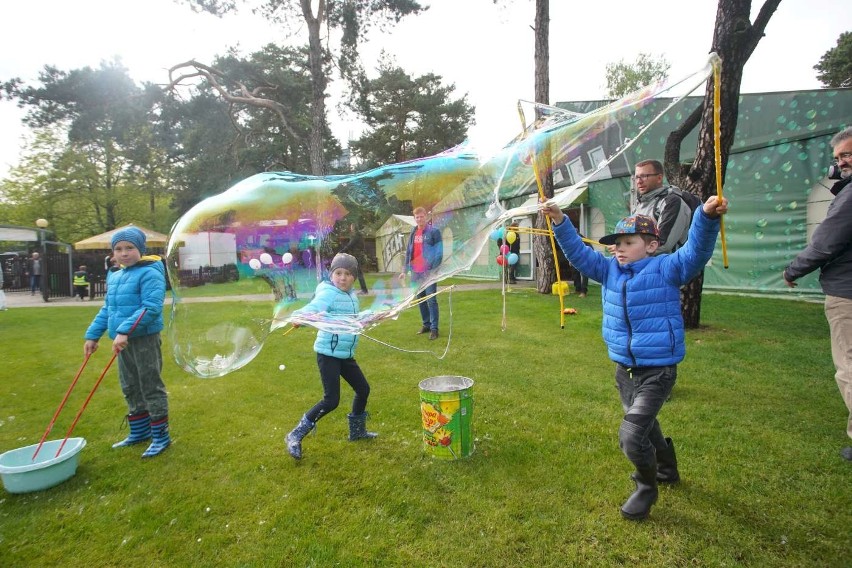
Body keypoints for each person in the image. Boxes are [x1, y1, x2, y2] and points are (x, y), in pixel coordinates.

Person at [541, 195, 728, 521]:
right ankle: (667, 469)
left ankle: (646, 486)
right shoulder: (608, 270)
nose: (619, 249)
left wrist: (706, 217)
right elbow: (578, 252)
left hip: (658, 372)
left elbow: (695, 251)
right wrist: (559, 219)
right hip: (624, 371)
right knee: (643, 424)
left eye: (628, 242)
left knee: (631, 435)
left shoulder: (667, 268)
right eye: (615, 244)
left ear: (652, 245)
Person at [783, 126, 852, 462]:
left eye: (848, 154)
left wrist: (793, 270)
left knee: (849, 367)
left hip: (847, 296)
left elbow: (826, 242)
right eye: (838, 157)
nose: (842, 163)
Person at [83, 227, 170, 458]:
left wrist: (124, 331)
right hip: (123, 341)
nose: (124, 253)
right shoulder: (116, 275)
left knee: (150, 385)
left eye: (129, 248)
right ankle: (140, 432)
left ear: (140, 249)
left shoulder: (150, 272)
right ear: (113, 253)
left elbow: (151, 308)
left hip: (144, 339)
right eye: (118, 249)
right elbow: (108, 309)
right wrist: (92, 335)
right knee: (129, 385)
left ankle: (161, 436)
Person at [285, 253, 377, 460]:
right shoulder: (329, 292)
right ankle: (295, 434)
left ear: (354, 277)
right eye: (338, 273)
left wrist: (372, 315)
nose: (342, 278)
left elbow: (352, 320)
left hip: (345, 354)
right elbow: (315, 308)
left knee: (363, 389)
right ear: (331, 275)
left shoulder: (352, 296)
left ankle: (357, 432)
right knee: (331, 400)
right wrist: (301, 316)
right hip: (328, 354)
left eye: (347, 274)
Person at [399, 207, 443, 340]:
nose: (419, 219)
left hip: (429, 272)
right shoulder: (413, 232)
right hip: (415, 272)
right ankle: (426, 324)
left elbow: (439, 253)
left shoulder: (434, 232)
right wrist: (404, 270)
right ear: (415, 219)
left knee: (431, 300)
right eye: (417, 217)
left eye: (421, 216)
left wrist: (433, 271)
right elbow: (409, 252)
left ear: (426, 217)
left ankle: (434, 329)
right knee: (420, 300)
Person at [631, 159, 692, 254]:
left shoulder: (671, 202)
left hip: (668, 267)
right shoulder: (640, 204)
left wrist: (630, 251)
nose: (639, 181)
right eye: (636, 177)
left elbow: (663, 243)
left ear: (659, 178)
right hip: (644, 265)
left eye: (644, 176)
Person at [339, 223, 369, 295]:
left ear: (354, 228)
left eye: (351, 227)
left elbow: (350, 245)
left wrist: (341, 251)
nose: (350, 228)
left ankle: (363, 290)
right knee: (353, 273)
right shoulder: (359, 236)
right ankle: (352, 289)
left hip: (357, 256)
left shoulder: (356, 236)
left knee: (357, 273)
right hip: (357, 256)